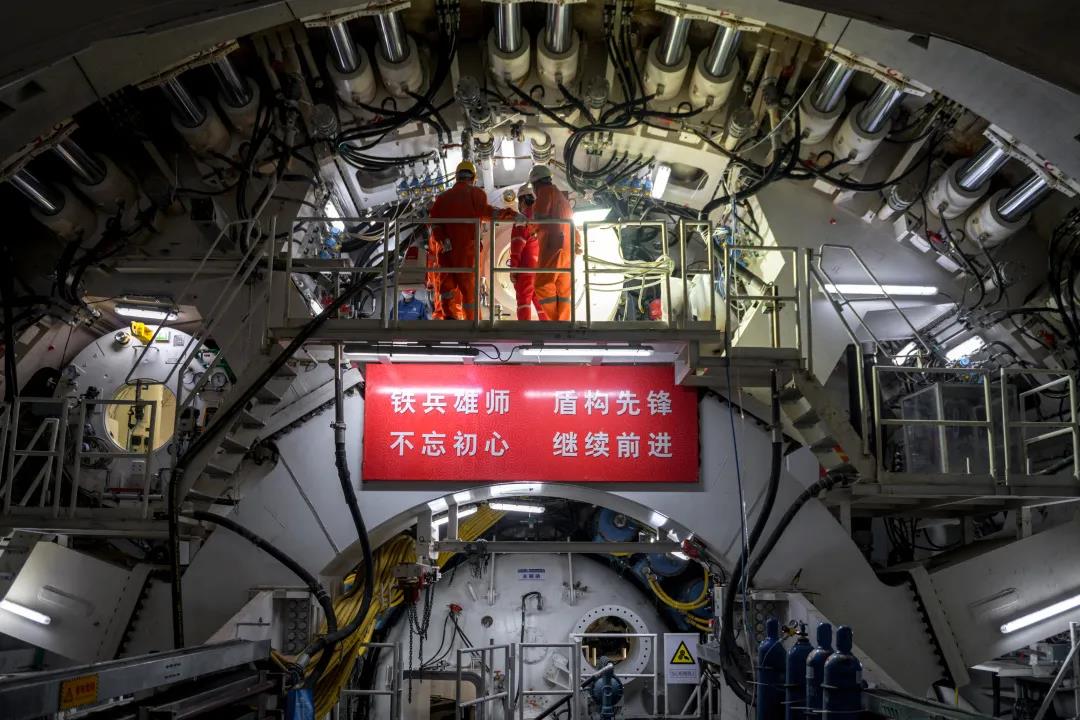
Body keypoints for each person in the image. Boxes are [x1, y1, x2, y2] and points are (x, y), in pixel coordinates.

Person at [428, 160, 519, 320]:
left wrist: (443, 239)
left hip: (447, 251)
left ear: (457, 177)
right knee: (469, 291)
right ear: (473, 178)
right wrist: (512, 215)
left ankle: (449, 317)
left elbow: (433, 223)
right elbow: (489, 213)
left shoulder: (442, 198)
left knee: (447, 287)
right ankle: (472, 320)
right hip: (467, 252)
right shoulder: (476, 194)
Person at [528, 165, 579, 321]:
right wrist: (577, 243)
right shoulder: (562, 198)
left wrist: (528, 226)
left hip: (553, 246)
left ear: (535, 183)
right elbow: (572, 223)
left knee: (542, 285)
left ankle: (555, 322)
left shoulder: (544, 192)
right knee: (564, 290)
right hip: (567, 248)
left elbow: (538, 220)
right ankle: (563, 322)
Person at [508, 183, 547, 321]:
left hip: (526, 269)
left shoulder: (522, 218)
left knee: (524, 302)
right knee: (542, 304)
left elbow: (517, 245)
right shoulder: (542, 217)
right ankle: (549, 329)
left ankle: (524, 330)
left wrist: (513, 269)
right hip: (541, 268)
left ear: (522, 200)